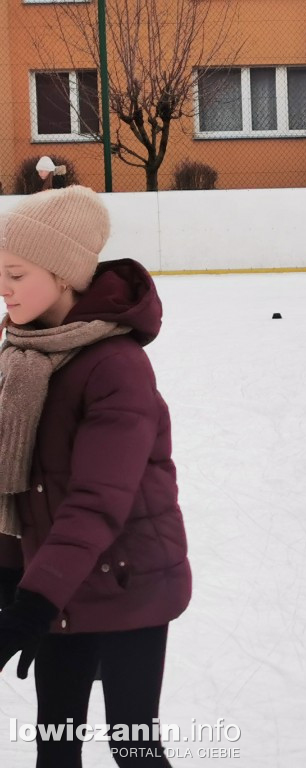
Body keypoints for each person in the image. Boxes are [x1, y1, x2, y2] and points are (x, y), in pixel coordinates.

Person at [0, 186, 191, 767]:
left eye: (14, 273)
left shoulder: (116, 367)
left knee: (133, 747)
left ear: (62, 276)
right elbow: (21, 488)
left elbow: (95, 502)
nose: (2, 288)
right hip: (60, 579)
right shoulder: (25, 356)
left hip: (132, 583)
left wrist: (32, 603)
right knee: (56, 747)